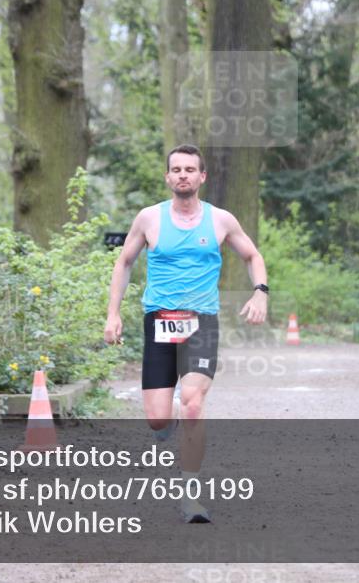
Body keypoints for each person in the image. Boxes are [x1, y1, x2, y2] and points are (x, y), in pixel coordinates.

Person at [104, 144, 268, 523]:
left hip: (201, 322)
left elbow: (252, 256)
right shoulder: (149, 218)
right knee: (157, 419)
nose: (183, 175)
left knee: (193, 403)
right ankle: (167, 422)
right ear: (168, 177)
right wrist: (113, 313)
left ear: (201, 176)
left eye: (190, 169)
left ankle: (190, 497)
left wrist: (260, 291)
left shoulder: (221, 220)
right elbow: (124, 262)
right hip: (159, 320)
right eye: (176, 169)